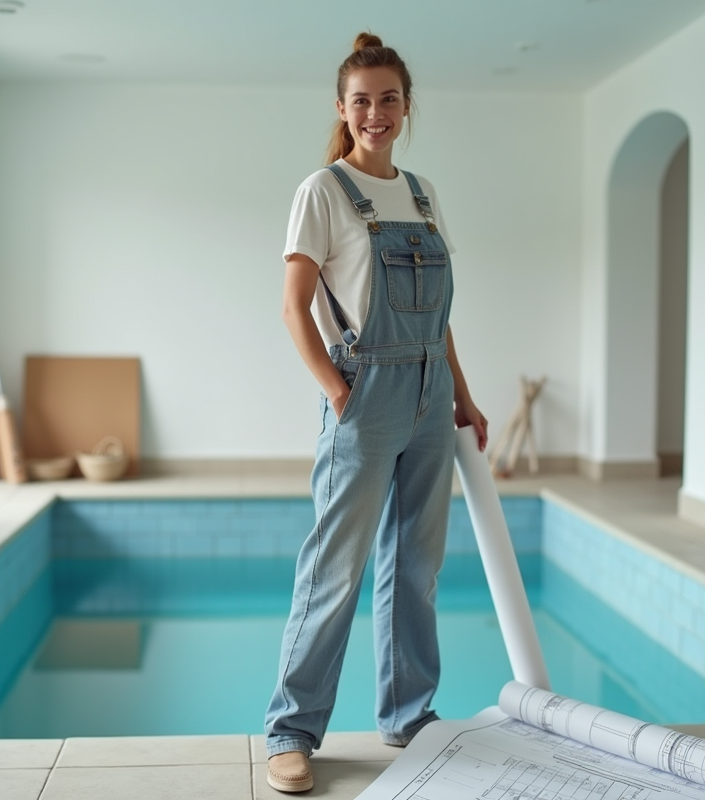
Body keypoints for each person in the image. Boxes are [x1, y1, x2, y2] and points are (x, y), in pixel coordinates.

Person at [264, 32, 489, 794]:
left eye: (388, 98)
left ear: (405, 106)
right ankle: (291, 732)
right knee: (335, 569)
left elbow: (440, 318)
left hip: (429, 394)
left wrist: (461, 393)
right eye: (361, 100)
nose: (375, 112)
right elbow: (294, 307)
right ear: (342, 107)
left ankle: (409, 717)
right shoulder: (323, 191)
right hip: (366, 393)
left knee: (416, 568)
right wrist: (338, 391)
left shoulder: (422, 194)